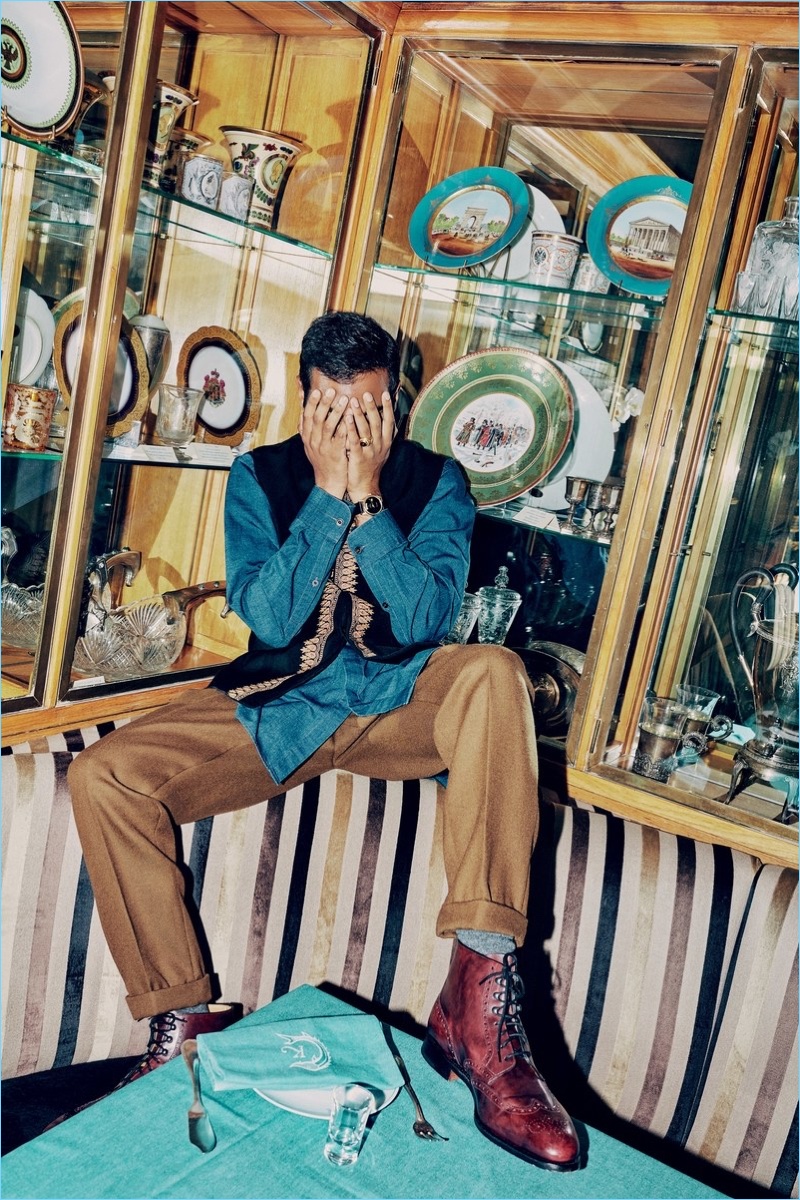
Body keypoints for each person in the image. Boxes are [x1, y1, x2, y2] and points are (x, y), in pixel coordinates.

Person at [65, 312, 579, 1170]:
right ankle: (182, 1016)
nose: (349, 430)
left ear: (395, 406)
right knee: (103, 776)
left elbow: (425, 617)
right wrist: (326, 499)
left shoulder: (439, 482)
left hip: (398, 706)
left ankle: (480, 996)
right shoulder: (258, 474)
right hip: (280, 706)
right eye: (331, 410)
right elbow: (269, 617)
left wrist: (370, 500)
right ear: (304, 403)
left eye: (368, 410)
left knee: (494, 670)